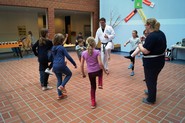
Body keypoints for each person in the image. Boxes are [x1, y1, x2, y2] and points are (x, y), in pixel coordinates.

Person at [138, 18, 166, 104]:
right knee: (153, 79)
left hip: (152, 63)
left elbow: (146, 51)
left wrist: (140, 45)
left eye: (145, 25)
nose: (145, 27)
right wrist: (146, 39)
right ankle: (151, 91)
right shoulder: (160, 33)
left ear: (149, 25)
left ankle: (151, 99)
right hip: (160, 61)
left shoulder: (152, 36)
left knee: (150, 80)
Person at [81, 37, 109, 109]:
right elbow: (100, 64)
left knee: (93, 87)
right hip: (97, 71)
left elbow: (81, 65)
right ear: (94, 44)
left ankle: (93, 103)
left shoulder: (83, 53)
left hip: (90, 73)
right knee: (101, 70)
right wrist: (105, 71)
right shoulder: (97, 52)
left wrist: (83, 74)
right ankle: (100, 83)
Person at [52, 33, 77, 100]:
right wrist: (74, 64)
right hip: (61, 65)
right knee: (69, 74)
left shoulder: (53, 48)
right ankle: (62, 86)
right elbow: (68, 56)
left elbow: (51, 57)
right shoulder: (62, 48)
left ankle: (60, 95)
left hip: (55, 66)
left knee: (59, 79)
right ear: (61, 41)